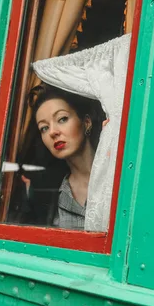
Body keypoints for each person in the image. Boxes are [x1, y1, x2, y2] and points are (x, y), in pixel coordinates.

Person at [23, 84, 104, 230]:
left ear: (86, 122)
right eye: (44, 128)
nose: (52, 132)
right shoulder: (47, 194)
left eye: (62, 119)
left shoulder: (115, 178)